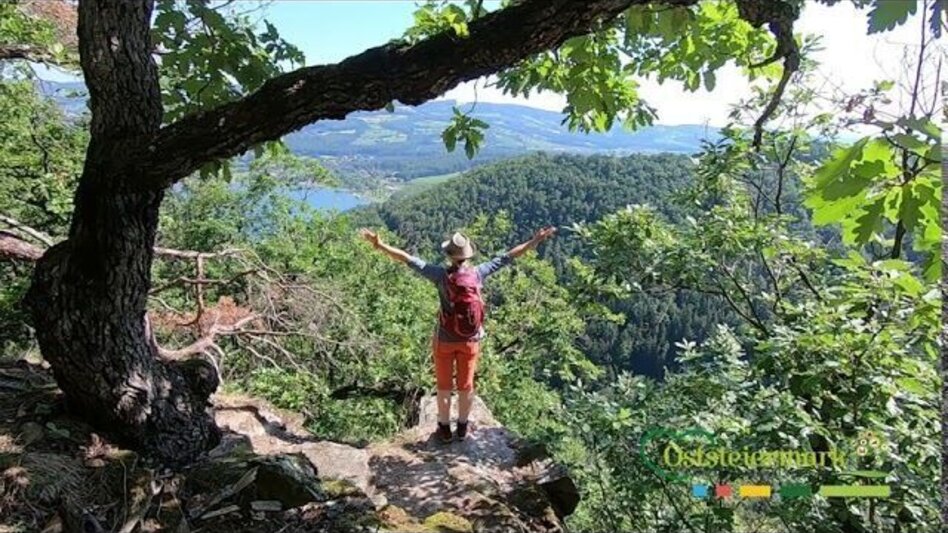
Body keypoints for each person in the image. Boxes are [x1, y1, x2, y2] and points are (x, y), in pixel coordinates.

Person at [358, 226, 556, 442]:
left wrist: (378, 245)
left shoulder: (439, 275)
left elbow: (406, 258)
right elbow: (510, 256)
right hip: (470, 341)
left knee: (443, 386)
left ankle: (444, 430)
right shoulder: (479, 273)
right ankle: (462, 428)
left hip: (444, 339)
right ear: (469, 254)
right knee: (466, 385)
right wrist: (535, 240)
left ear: (450, 256)